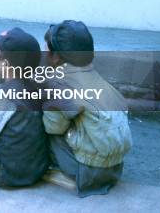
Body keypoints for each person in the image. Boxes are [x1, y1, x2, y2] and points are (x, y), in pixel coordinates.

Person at [42, 20, 132, 197]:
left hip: (89, 170)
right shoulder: (94, 75)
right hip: (115, 167)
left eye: (45, 51)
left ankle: (67, 176)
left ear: (56, 56)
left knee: (40, 125)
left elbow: (53, 128)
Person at [0, 28, 50, 187]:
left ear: (5, 63)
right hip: (36, 170)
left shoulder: (4, 96)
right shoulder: (38, 87)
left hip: (7, 175)